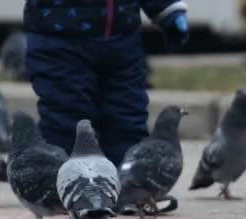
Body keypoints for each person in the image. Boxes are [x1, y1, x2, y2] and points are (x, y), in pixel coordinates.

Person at [24, 0, 189, 165]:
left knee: (127, 118)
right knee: (68, 120)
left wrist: (168, 9)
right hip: (60, 40)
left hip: (123, 40)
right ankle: (63, 179)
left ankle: (128, 180)